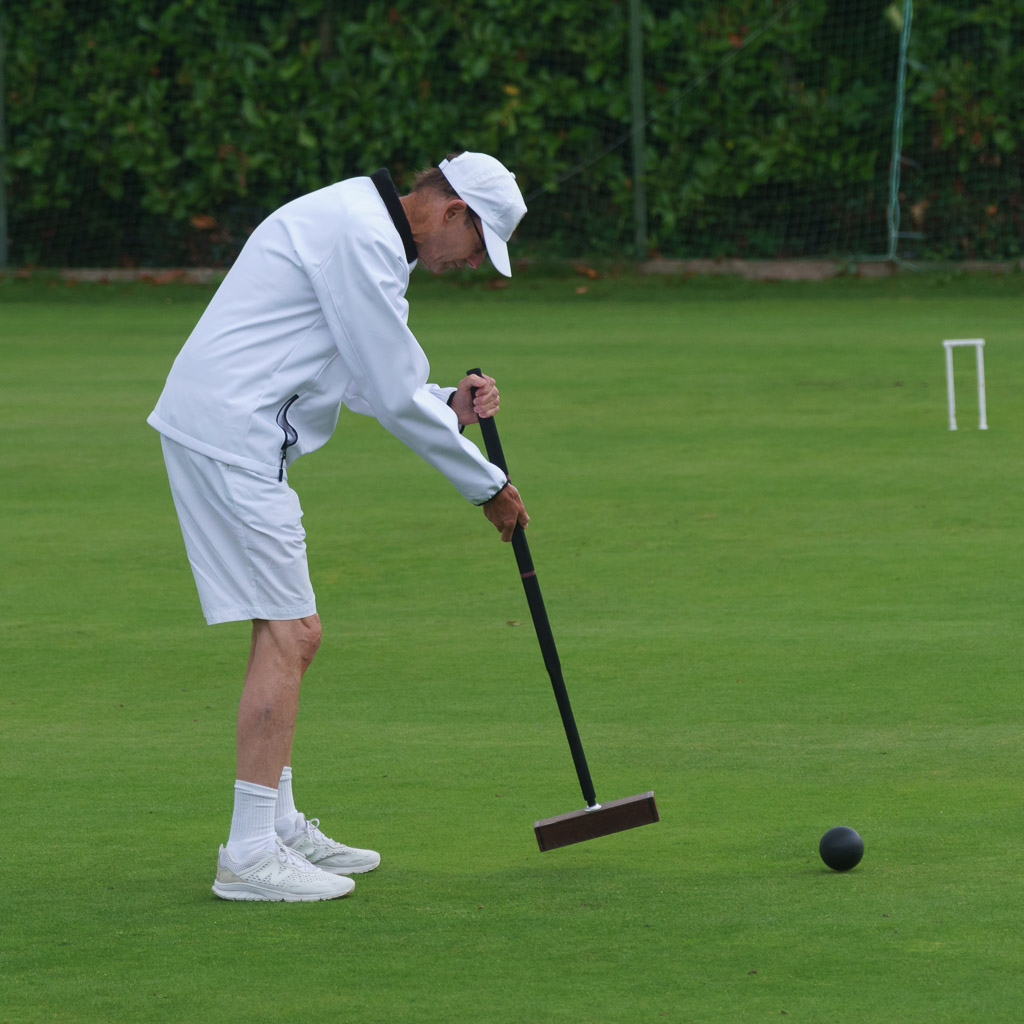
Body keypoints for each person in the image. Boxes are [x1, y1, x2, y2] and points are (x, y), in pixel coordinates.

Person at [148, 151, 530, 902]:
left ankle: (277, 823)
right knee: (291, 632)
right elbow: (387, 393)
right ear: (454, 213)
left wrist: (445, 398)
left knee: (294, 631)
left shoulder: (364, 225)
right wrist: (486, 485)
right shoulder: (362, 235)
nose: (474, 263)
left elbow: (362, 373)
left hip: (235, 432)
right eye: (480, 245)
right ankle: (249, 855)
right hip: (231, 437)